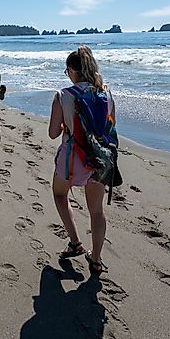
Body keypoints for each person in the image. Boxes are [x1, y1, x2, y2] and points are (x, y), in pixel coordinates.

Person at [48, 45, 115, 275]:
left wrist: (69, 123)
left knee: (59, 194)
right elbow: (110, 125)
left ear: (70, 70)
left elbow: (53, 133)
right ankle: (96, 260)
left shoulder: (63, 95)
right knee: (96, 211)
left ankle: (75, 242)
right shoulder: (106, 93)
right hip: (98, 158)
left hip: (72, 158)